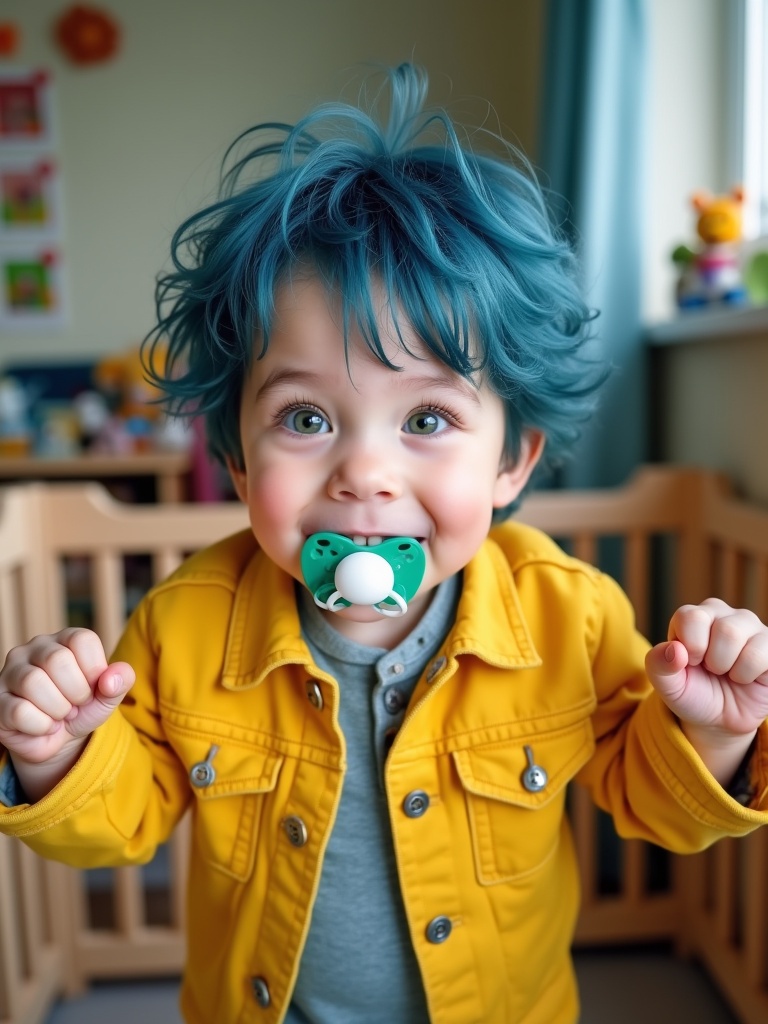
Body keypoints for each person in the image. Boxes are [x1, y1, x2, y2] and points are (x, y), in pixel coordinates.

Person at [0, 64, 767, 1024]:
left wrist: (714, 732)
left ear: (512, 463)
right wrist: (59, 757)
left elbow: (653, 804)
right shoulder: (181, 627)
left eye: (430, 418)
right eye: (308, 418)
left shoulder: (571, 616)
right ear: (237, 461)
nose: (365, 473)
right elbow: (121, 823)